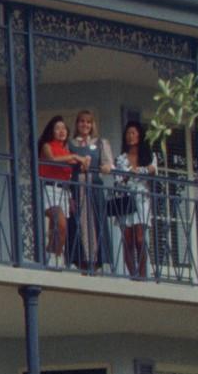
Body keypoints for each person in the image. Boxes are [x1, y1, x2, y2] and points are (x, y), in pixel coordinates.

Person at [68, 109, 113, 273]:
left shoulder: (100, 143)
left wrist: (106, 167)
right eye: (81, 121)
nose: (85, 124)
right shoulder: (71, 144)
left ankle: (95, 263)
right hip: (76, 188)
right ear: (77, 124)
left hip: (94, 188)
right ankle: (82, 262)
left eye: (88, 121)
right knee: (77, 224)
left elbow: (108, 164)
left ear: (92, 124)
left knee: (95, 225)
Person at [113, 120, 159, 280]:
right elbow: (119, 179)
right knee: (128, 241)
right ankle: (133, 275)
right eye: (128, 133)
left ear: (139, 135)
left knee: (140, 239)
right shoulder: (121, 158)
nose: (130, 136)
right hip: (126, 198)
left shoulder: (149, 155)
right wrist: (131, 174)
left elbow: (153, 170)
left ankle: (142, 274)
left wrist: (135, 171)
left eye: (133, 133)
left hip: (142, 198)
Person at [37, 115, 79, 264]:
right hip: (49, 188)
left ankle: (52, 257)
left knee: (57, 228)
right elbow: (52, 159)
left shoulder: (66, 150)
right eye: (57, 128)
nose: (61, 131)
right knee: (61, 224)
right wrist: (74, 156)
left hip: (63, 191)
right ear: (52, 132)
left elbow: (72, 173)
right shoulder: (47, 146)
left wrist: (84, 160)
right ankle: (55, 257)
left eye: (63, 128)